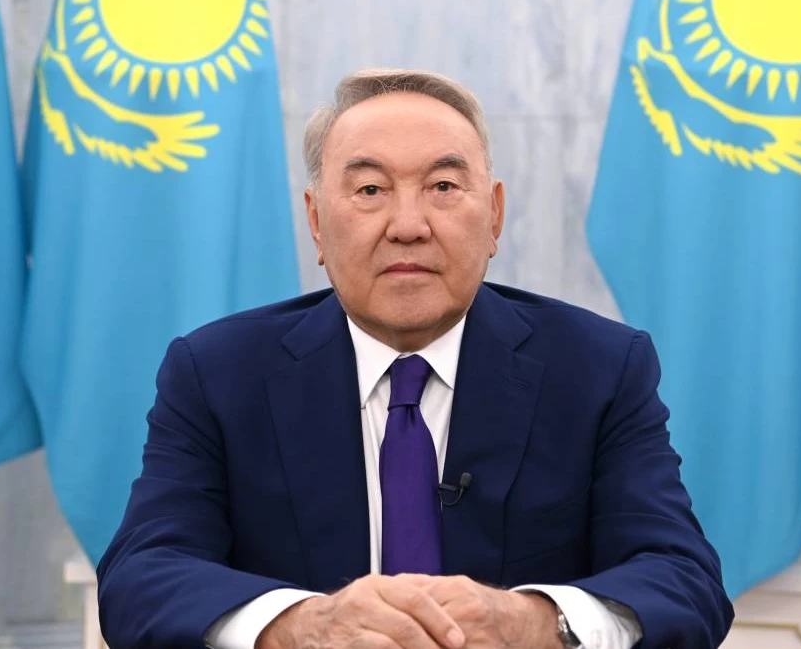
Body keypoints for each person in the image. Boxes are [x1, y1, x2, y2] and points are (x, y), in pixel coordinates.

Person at [96, 69, 733, 649]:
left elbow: (683, 582)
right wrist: (302, 627)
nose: (408, 224)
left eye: (443, 186)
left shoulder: (599, 369)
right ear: (316, 222)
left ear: (494, 216)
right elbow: (141, 579)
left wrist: (533, 622)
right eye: (370, 188)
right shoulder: (217, 374)